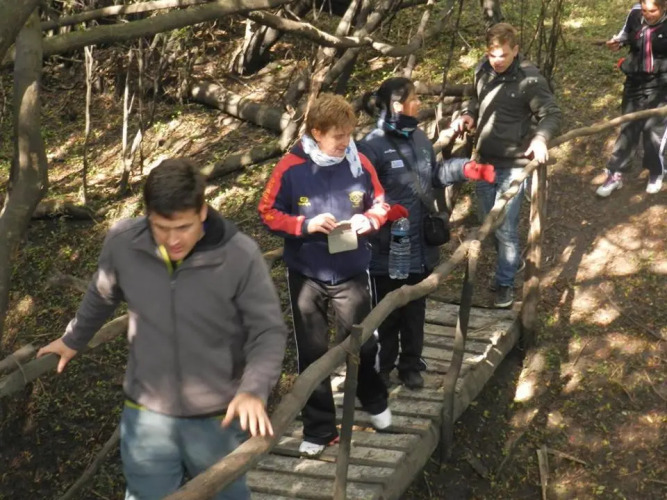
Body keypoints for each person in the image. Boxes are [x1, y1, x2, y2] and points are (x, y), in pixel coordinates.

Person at [37, 159, 288, 500]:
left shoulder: (239, 254)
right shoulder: (124, 243)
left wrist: (254, 389)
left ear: (202, 211)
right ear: (148, 215)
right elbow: (102, 293)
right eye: (161, 227)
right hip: (146, 415)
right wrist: (73, 338)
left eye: (183, 227)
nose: (173, 240)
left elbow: (267, 331)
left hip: (219, 415)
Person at [258, 93, 391, 458]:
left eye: (349, 134)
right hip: (307, 273)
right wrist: (305, 225)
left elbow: (382, 204)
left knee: (363, 341)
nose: (345, 142)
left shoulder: (360, 163)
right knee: (312, 353)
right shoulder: (290, 167)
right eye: (338, 136)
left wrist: (369, 220)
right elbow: (267, 212)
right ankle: (319, 430)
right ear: (316, 132)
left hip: (352, 270)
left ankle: (373, 398)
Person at [357, 77, 496, 390]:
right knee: (386, 313)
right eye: (414, 98)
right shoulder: (370, 146)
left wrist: (466, 169)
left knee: (415, 308)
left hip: (419, 243)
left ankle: (410, 365)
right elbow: (358, 195)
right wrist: (382, 214)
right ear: (397, 105)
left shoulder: (419, 137)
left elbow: (433, 175)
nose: (419, 103)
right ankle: (382, 369)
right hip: (385, 248)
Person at [452, 22, 561, 308]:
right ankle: (511, 265)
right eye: (492, 55)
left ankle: (504, 284)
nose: (497, 61)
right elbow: (474, 99)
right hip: (484, 162)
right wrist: (468, 114)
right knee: (488, 223)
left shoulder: (530, 80)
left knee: (505, 228)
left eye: (503, 55)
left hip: (514, 165)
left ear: (515, 50)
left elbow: (551, 113)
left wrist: (540, 138)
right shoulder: (482, 69)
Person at [597, 0, 667, 197]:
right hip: (634, 82)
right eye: (644, 10)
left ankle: (656, 172)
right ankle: (615, 174)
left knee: (654, 131)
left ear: (663, 7)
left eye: (653, 11)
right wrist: (616, 44)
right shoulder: (635, 15)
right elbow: (624, 36)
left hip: (661, 86)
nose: (647, 14)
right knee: (628, 128)